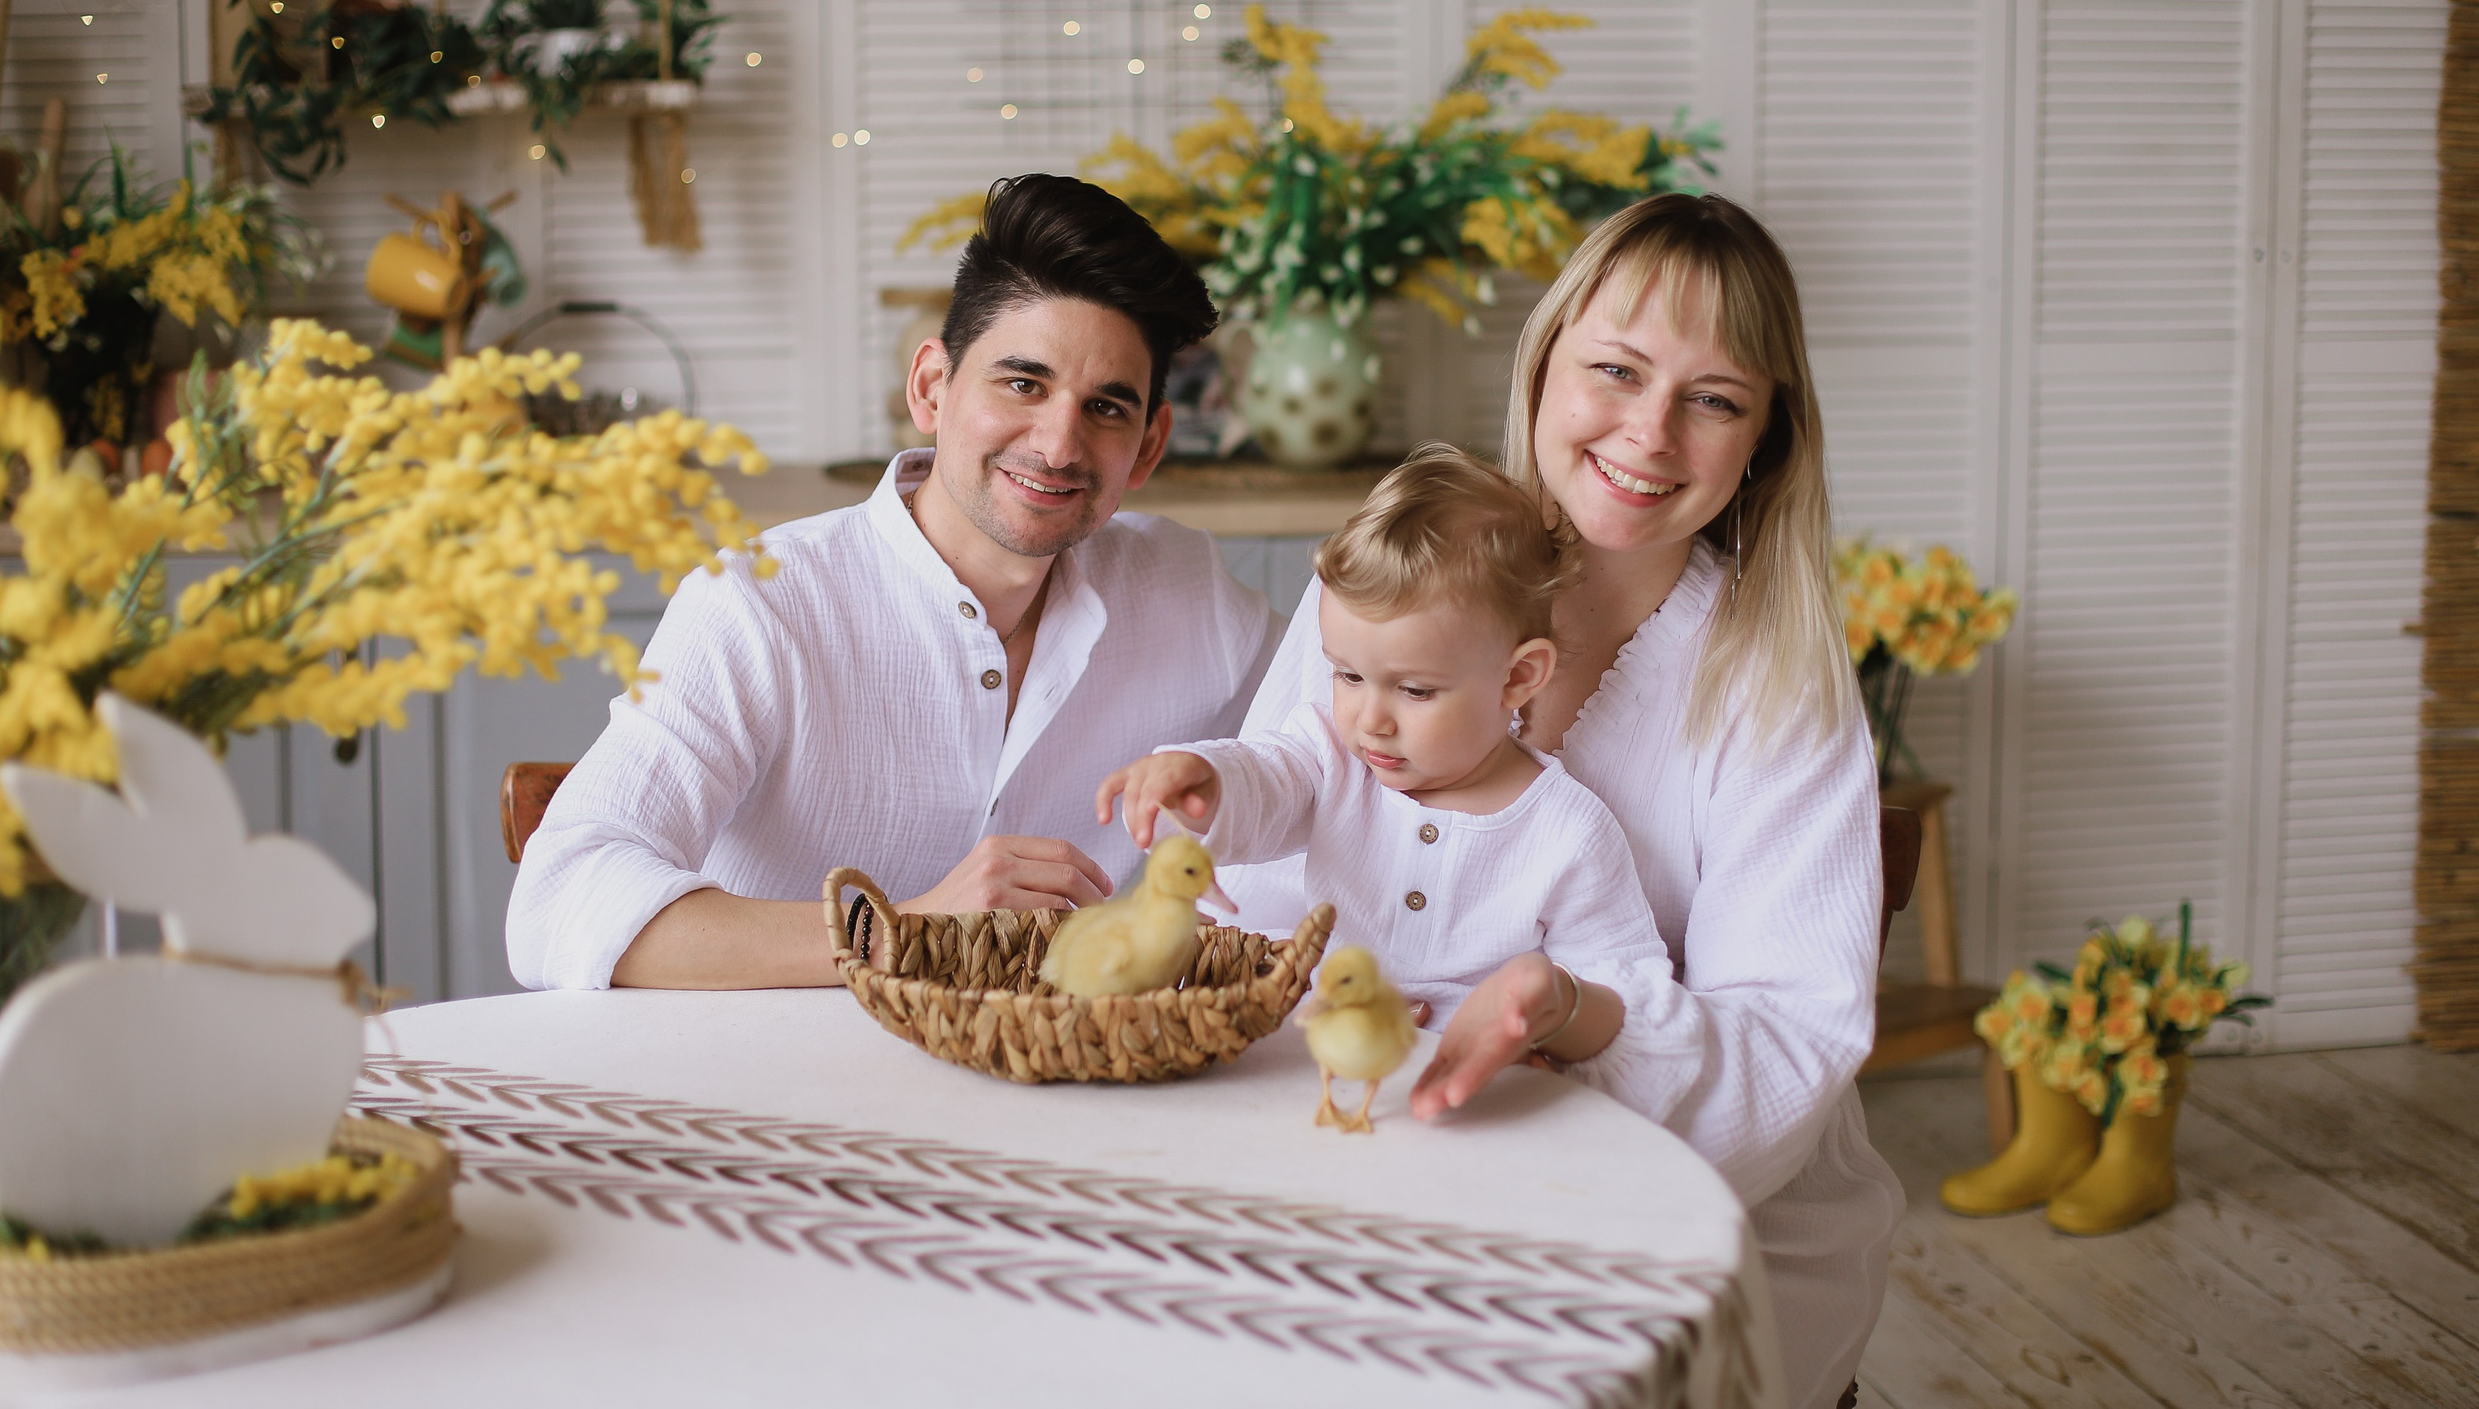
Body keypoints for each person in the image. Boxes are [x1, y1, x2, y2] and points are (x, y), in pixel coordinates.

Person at [1228, 194, 1901, 1409]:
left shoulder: (1777, 686)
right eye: (1616, 370)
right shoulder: (1409, 569)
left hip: (1698, 1238)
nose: (1651, 432)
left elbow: (1793, 1048)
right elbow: (1261, 887)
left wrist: (1579, 1014)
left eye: (1714, 399)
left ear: (1765, 438)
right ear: (1542, 368)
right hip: (1363, 1182)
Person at [505, 174, 1280, 992]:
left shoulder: (1188, 594)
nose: (1058, 444)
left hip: (1059, 1094)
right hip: (769, 1093)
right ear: (931, 389)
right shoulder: (761, 601)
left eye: (1107, 408)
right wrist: (901, 928)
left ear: (1150, 445)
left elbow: (1355, 761)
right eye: (1022, 383)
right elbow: (557, 903)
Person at [1098, 443, 1672, 1041]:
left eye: (1416, 690)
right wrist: (1205, 779)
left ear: (1519, 677)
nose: (1370, 720)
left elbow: (1618, 982)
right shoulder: (1331, 759)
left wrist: (1549, 1037)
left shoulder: (1568, 832)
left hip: (1468, 1089)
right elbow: (1267, 777)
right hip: (1312, 1055)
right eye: (1346, 675)